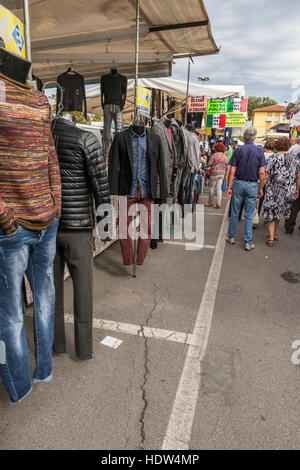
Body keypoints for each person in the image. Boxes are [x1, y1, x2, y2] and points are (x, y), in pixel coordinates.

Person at [0, 71, 61, 404]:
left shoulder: (39, 98)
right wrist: (6, 217)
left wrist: (57, 204)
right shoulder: (37, 99)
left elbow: (49, 153)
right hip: (16, 225)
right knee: (23, 308)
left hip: (38, 224)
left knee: (17, 311)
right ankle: (25, 382)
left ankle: (34, 377)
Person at [52, 113, 110, 360]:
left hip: (46, 227)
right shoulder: (86, 139)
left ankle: (56, 344)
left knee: (51, 290)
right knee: (83, 289)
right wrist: (105, 228)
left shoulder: (40, 138)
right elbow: (100, 185)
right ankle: (84, 349)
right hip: (77, 228)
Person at [226, 127, 266, 251]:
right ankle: (248, 242)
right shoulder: (260, 151)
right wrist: (260, 188)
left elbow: (232, 170)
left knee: (235, 211)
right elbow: (262, 173)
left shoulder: (238, 150)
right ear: (254, 137)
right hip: (252, 184)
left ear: (244, 137)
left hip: (238, 183)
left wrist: (229, 187)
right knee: (249, 215)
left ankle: (231, 237)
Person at [260, 137, 300, 246]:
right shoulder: (295, 158)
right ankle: (275, 233)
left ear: (276, 146)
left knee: (271, 211)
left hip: (273, 190)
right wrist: (296, 190)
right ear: (289, 146)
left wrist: (260, 188)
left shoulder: (273, 158)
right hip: (288, 190)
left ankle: (271, 237)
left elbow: (265, 175)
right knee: (279, 212)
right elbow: (298, 176)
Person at [205, 143, 228, 209]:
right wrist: (225, 176)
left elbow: (209, 163)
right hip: (222, 174)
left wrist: (207, 165)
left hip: (214, 173)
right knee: (219, 188)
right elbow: (227, 166)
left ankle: (210, 202)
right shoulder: (225, 156)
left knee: (212, 188)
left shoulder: (214, 155)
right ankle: (218, 203)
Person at [258, 138, 277, 215]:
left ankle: (256, 217)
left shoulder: (261, 155)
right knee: (269, 201)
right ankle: (267, 219)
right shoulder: (276, 156)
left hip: (260, 179)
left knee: (259, 200)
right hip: (272, 181)